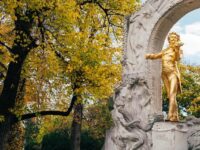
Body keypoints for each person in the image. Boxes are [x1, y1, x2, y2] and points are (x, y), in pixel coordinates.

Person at [146, 32, 183, 121]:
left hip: (172, 73)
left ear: (177, 39)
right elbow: (155, 56)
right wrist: (146, 56)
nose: (172, 39)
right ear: (169, 40)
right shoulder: (165, 50)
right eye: (171, 38)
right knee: (170, 96)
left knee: (172, 94)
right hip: (164, 74)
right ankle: (175, 116)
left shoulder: (178, 50)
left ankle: (169, 115)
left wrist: (177, 48)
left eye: (174, 38)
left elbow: (178, 58)